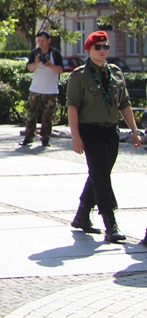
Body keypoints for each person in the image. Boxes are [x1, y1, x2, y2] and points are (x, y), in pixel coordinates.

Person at [66, 31, 141, 243]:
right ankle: (110, 223)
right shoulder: (79, 75)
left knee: (100, 173)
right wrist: (75, 136)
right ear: (88, 50)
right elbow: (72, 108)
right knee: (101, 175)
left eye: (106, 47)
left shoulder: (116, 72)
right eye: (97, 47)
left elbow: (124, 104)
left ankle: (81, 216)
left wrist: (134, 130)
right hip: (89, 130)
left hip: (110, 130)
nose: (102, 51)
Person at [22, 30, 64, 147]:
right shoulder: (35, 53)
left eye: (43, 41)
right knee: (31, 114)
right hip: (35, 88)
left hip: (50, 90)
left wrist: (49, 65)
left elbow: (61, 69)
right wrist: (36, 63)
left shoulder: (55, 54)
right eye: (39, 41)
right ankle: (29, 137)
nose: (41, 43)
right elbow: (29, 68)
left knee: (47, 116)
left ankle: (45, 138)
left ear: (49, 41)